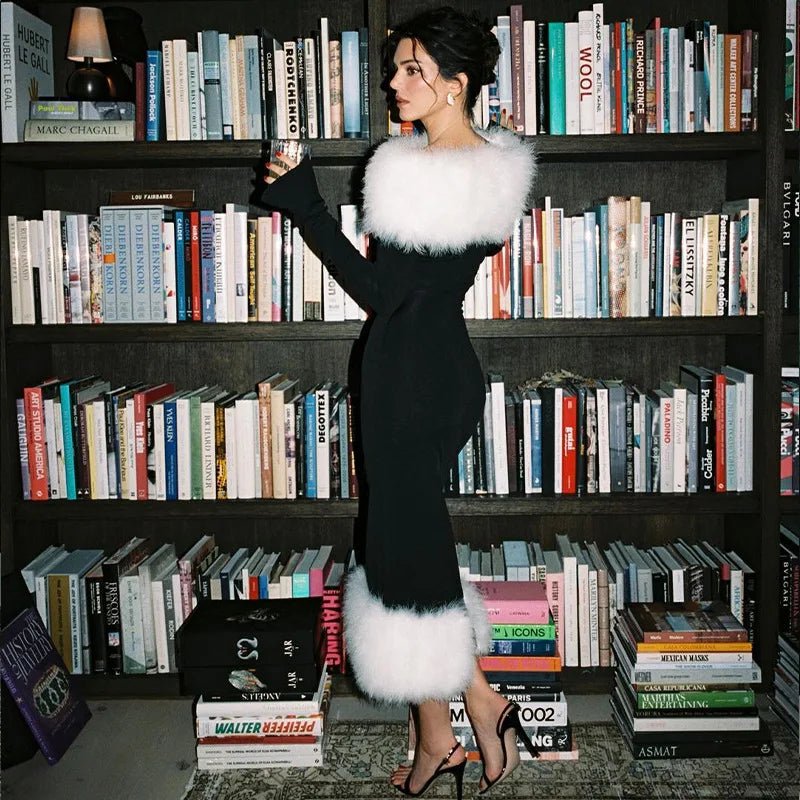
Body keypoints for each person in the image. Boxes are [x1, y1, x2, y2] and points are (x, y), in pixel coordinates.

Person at [257, 7, 537, 797]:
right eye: (397, 67)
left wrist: (305, 205)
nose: (395, 81)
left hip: (416, 379)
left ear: (456, 84)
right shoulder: (454, 161)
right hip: (412, 372)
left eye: (413, 69)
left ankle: (479, 702)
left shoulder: (447, 176)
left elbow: (382, 291)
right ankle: (438, 735)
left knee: (405, 552)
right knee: (398, 549)